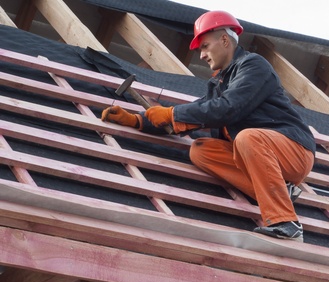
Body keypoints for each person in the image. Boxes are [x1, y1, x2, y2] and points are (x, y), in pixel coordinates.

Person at [101, 10, 315, 242]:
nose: (201, 55)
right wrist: (138, 120)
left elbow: (228, 108)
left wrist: (171, 113)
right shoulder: (219, 84)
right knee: (201, 149)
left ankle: (286, 223)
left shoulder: (253, 66)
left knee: (247, 137)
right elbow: (195, 113)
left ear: (224, 39)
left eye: (204, 46)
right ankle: (280, 192)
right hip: (260, 158)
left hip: (293, 150)